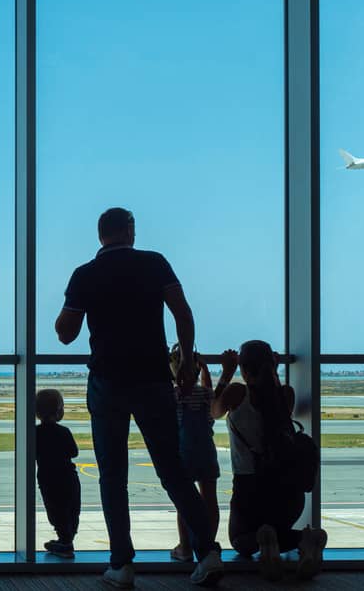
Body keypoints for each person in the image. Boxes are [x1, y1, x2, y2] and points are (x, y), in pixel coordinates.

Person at [55, 207, 223, 588]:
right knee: (174, 471)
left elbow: (65, 333)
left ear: (101, 235)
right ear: (129, 232)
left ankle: (122, 564)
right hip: (153, 379)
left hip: (108, 380)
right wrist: (185, 362)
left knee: (113, 476)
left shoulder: (85, 275)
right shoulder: (155, 263)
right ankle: (209, 554)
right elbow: (183, 313)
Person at [212, 340, 328, 581]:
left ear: (243, 368)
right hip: (288, 491)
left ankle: (265, 537)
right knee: (278, 528)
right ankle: (305, 539)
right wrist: (272, 370)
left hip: (250, 489)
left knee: (240, 541)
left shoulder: (237, 393)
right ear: (272, 365)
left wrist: (225, 373)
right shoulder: (285, 394)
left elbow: (212, 411)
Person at [167, 345, 220, 565]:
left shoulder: (174, 395)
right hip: (206, 450)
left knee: (185, 501)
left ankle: (185, 546)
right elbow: (212, 390)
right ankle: (208, 543)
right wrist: (205, 369)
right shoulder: (205, 394)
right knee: (210, 498)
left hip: (183, 453)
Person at [35, 388, 81, 558]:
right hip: (67, 475)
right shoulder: (63, 431)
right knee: (71, 507)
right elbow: (74, 452)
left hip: (47, 477)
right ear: (59, 410)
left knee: (55, 508)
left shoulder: (36, 433)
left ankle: (64, 540)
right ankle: (67, 540)